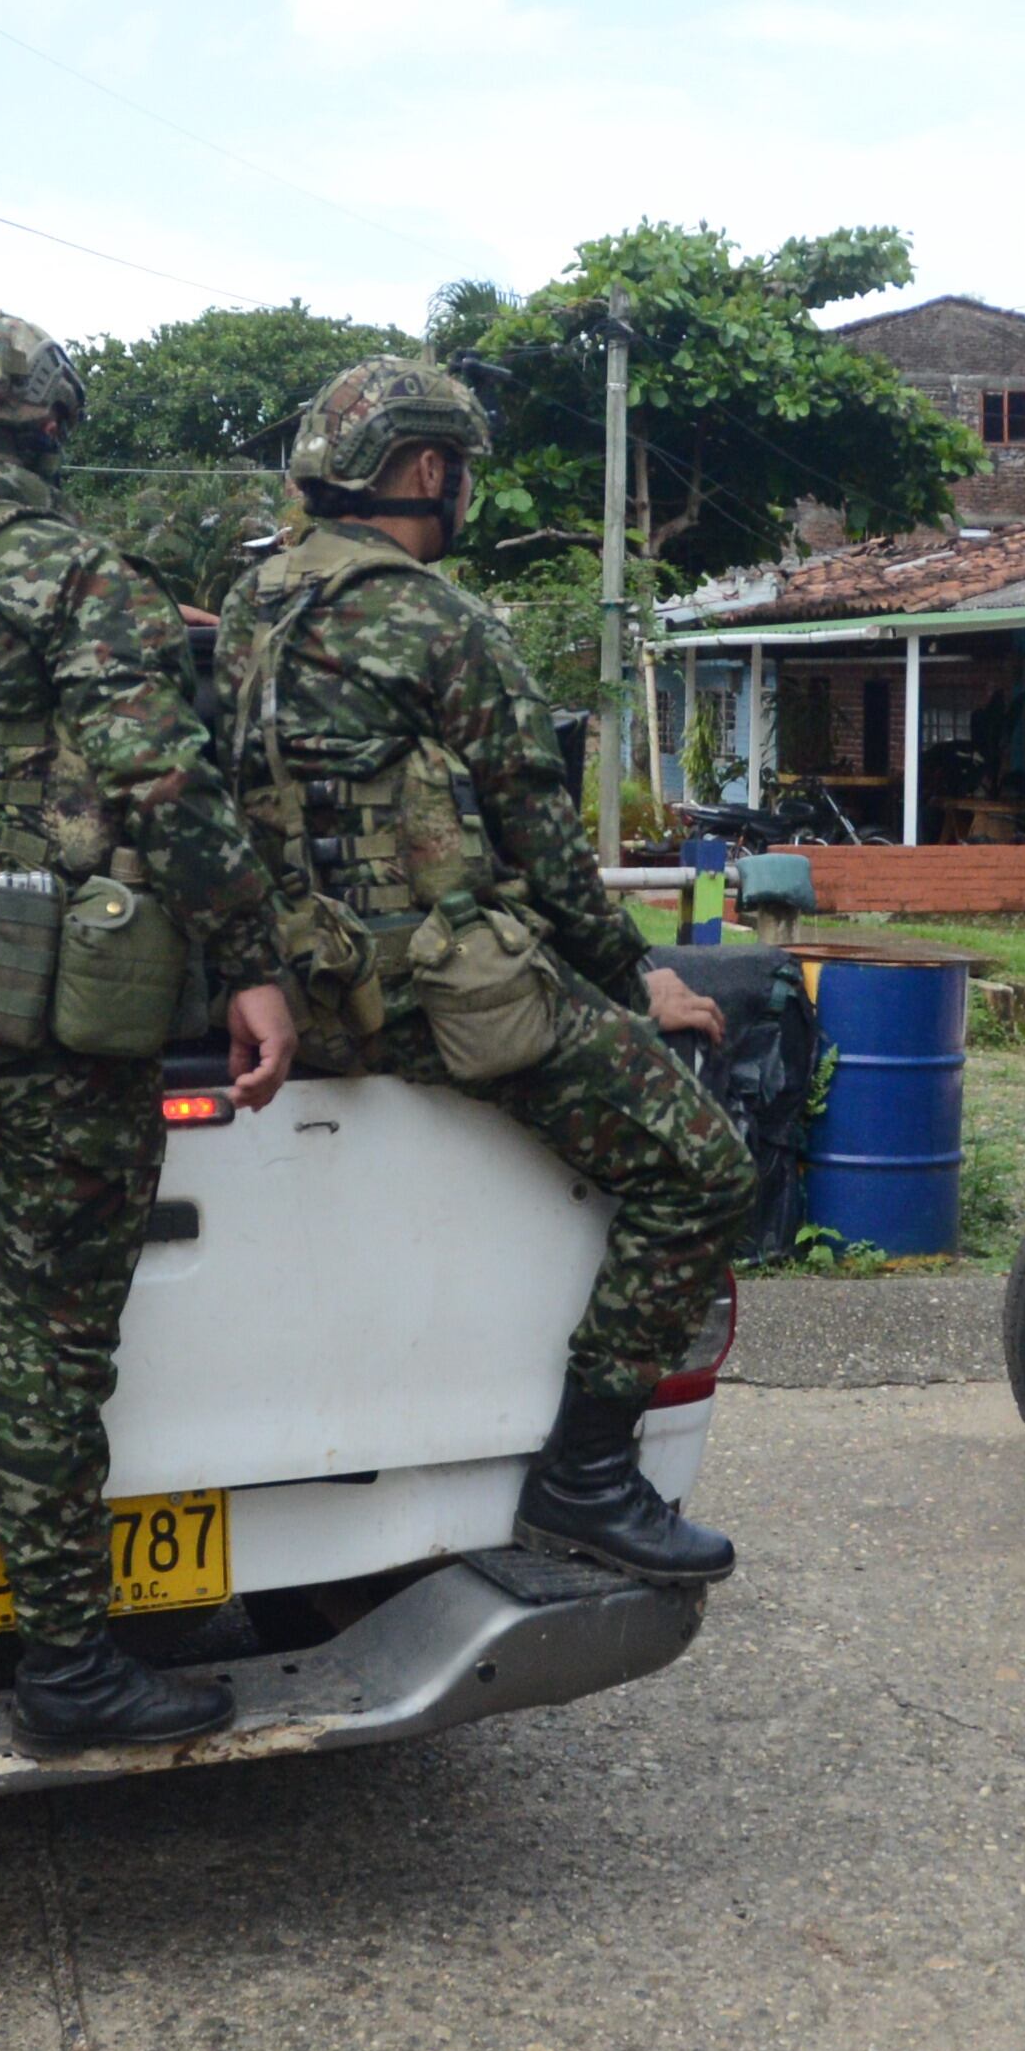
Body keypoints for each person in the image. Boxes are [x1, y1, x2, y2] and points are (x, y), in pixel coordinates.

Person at [0, 308, 299, 1755]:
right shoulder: (70, 569)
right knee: (52, 1342)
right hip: (59, 1006)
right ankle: (72, 1664)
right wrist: (252, 958)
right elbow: (162, 775)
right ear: (49, 424)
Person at [216, 356, 755, 1585]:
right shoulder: (433, 619)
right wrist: (638, 977)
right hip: (421, 989)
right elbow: (543, 838)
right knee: (704, 1169)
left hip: (291, 984)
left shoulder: (253, 602)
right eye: (459, 469)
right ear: (426, 469)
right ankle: (589, 1476)